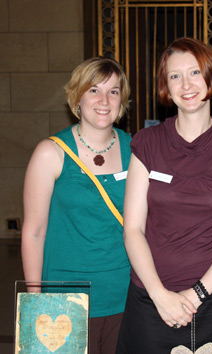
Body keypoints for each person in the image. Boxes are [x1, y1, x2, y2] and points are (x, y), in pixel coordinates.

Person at [116, 37, 212, 354]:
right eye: (174, 76)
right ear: (165, 86)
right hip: (153, 298)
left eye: (195, 72)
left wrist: (194, 295)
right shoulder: (147, 143)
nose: (186, 85)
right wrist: (160, 295)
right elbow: (133, 229)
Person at [21, 57, 132, 354]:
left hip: (125, 294)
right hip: (65, 300)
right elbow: (34, 232)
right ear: (77, 96)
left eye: (114, 91)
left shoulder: (135, 149)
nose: (104, 100)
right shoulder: (50, 153)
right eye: (94, 90)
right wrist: (36, 301)